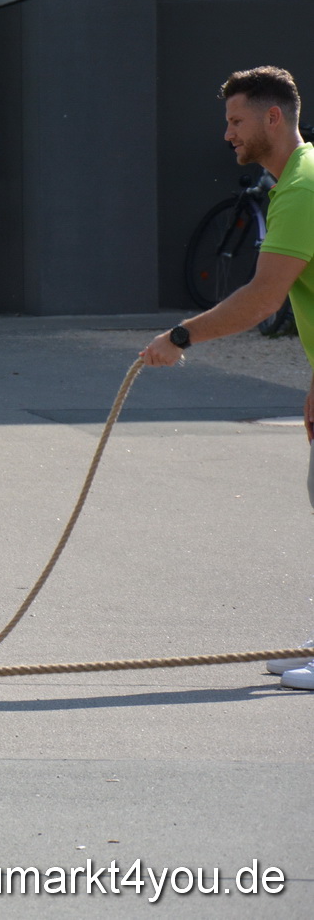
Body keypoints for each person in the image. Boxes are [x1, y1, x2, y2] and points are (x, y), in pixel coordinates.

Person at [140, 65, 314, 691]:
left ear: (274, 118)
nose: (227, 135)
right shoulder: (301, 175)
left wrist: (181, 335)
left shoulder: (302, 186)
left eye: (236, 121)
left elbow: (263, 297)